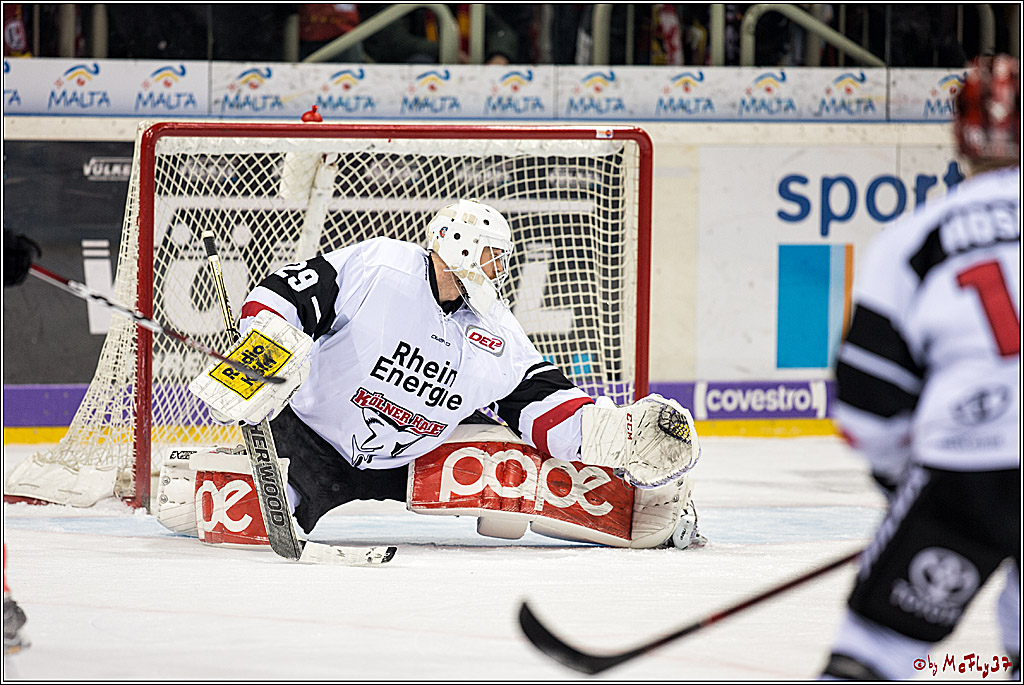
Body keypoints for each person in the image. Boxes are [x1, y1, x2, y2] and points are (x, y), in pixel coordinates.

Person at [188, 199, 704, 549]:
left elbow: (541, 401)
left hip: (412, 461)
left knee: (516, 478)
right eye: (489, 255)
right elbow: (286, 294)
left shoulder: (496, 330)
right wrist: (257, 364)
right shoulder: (381, 267)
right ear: (454, 243)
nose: (498, 269)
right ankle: (193, 478)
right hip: (307, 438)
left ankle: (639, 508)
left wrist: (613, 436)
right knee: (233, 516)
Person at [821, 55, 1020, 680]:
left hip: (971, 467)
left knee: (875, 651)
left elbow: (864, 397)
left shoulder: (916, 235)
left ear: (960, 133)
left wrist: (907, 484)